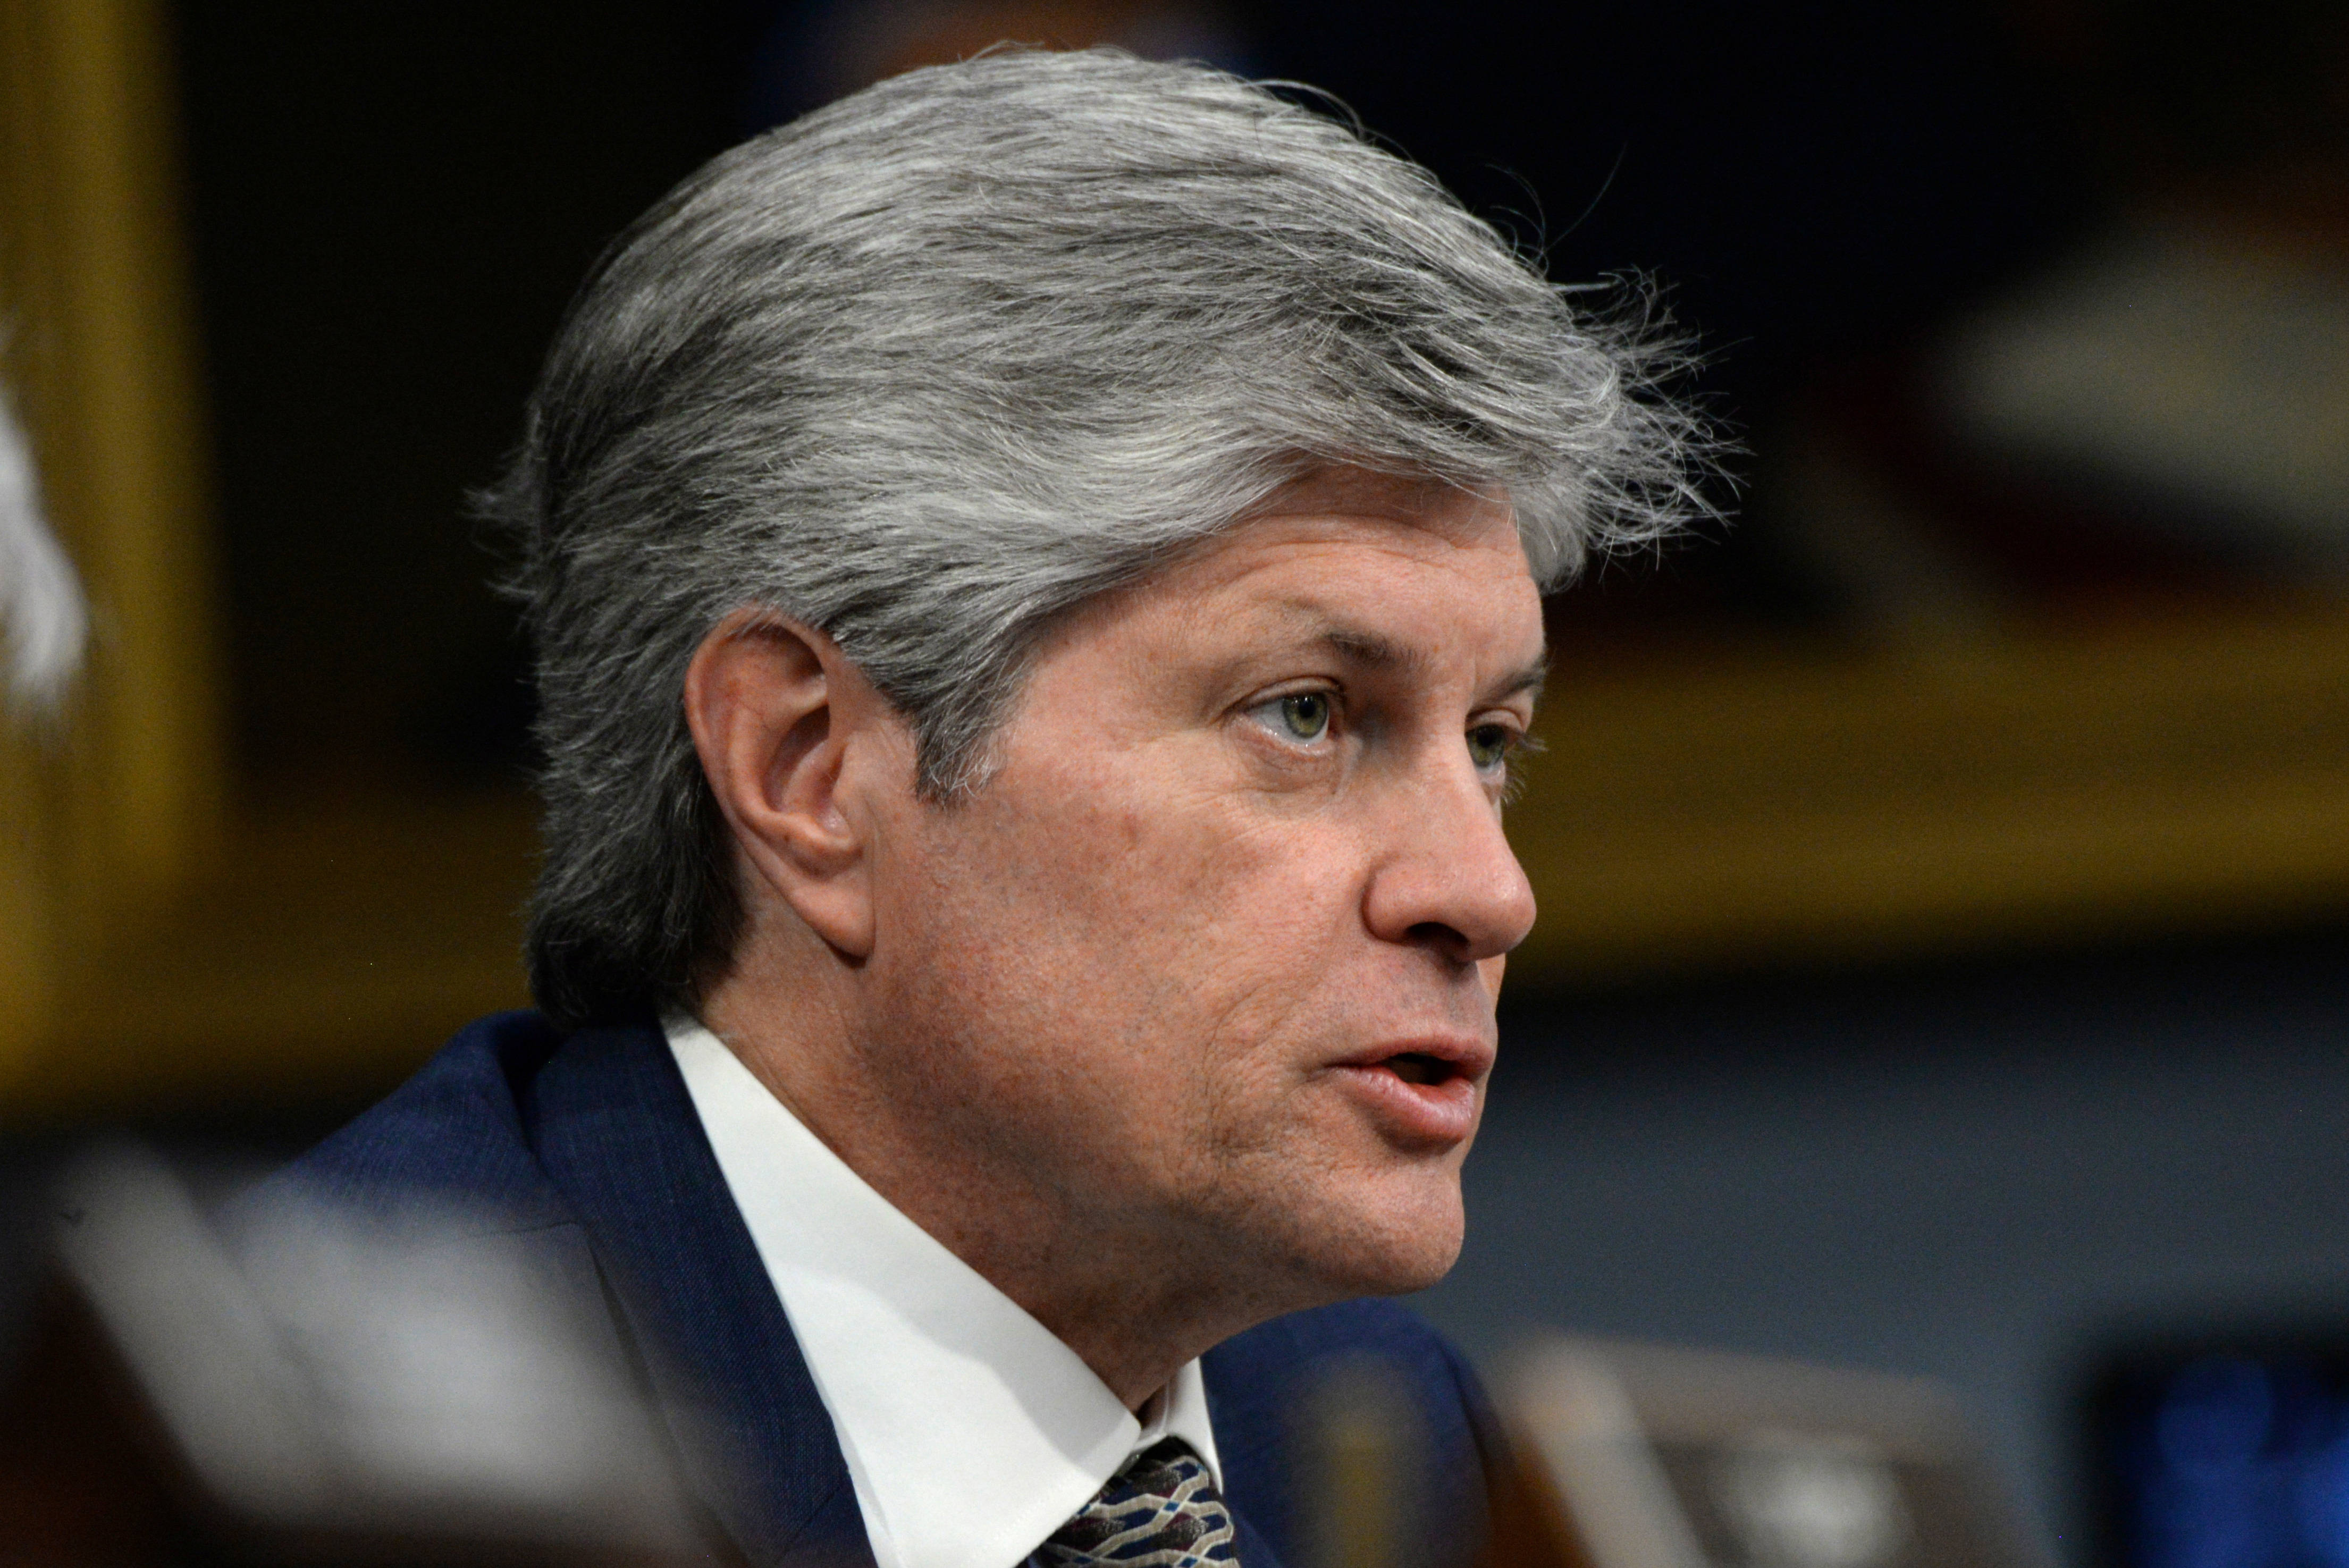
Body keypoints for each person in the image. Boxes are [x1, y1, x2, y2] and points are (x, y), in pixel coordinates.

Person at [281, 46, 1704, 1568]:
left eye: (1489, 740)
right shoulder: (322, 1471)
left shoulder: (1384, 1444)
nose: (1484, 892)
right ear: (805, 769)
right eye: (1305, 714)